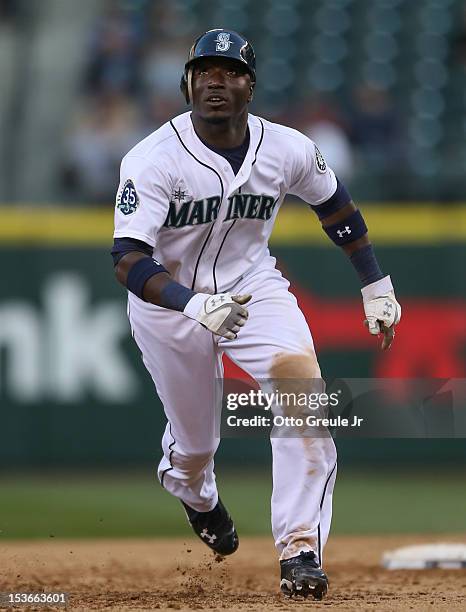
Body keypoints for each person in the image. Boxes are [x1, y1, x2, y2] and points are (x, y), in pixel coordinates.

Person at [111, 29, 401, 600]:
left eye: (230, 72)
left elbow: (336, 205)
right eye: (205, 72)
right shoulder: (152, 159)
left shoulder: (286, 147)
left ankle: (300, 548)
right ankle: (197, 494)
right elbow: (126, 259)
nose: (216, 82)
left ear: (251, 85)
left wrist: (375, 284)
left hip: (253, 287)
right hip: (172, 306)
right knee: (195, 448)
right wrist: (193, 304)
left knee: (303, 397)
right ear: (188, 83)